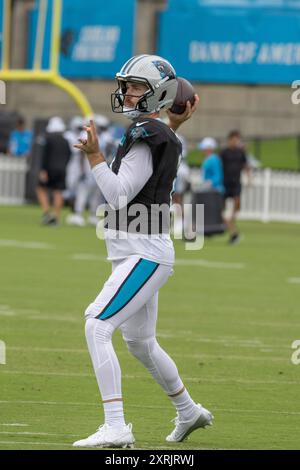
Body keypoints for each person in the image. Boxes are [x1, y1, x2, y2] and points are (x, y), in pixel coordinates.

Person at [72, 54, 213, 449]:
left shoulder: (148, 133)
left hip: (143, 252)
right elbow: (160, 148)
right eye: (127, 85)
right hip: (141, 248)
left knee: (97, 325)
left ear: (158, 93)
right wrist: (175, 121)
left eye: (135, 86)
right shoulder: (157, 131)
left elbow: (119, 194)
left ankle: (116, 425)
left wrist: (95, 157)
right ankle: (188, 411)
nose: (126, 93)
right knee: (140, 343)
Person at [36, 117, 71, 225]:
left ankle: (47, 213)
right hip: (61, 169)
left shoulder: (48, 139)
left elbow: (44, 156)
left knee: (41, 189)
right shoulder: (65, 141)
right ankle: (56, 217)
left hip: (49, 169)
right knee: (58, 192)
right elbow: (69, 155)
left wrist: (43, 170)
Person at [220, 130, 251, 244]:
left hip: (236, 183)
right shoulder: (224, 152)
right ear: (230, 140)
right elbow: (219, 166)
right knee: (221, 207)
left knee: (237, 204)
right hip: (225, 183)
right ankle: (228, 224)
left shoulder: (241, 152)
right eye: (234, 139)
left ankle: (230, 221)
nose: (235, 141)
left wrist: (249, 178)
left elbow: (246, 165)